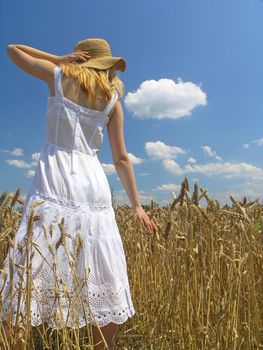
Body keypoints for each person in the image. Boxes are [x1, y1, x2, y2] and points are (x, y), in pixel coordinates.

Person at [0, 38, 157, 349]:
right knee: (102, 268)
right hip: (94, 187)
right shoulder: (112, 101)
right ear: (107, 65)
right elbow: (121, 158)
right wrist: (137, 206)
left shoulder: (58, 76)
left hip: (54, 180)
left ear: (81, 60)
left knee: (29, 270)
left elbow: (12, 50)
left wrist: (59, 57)